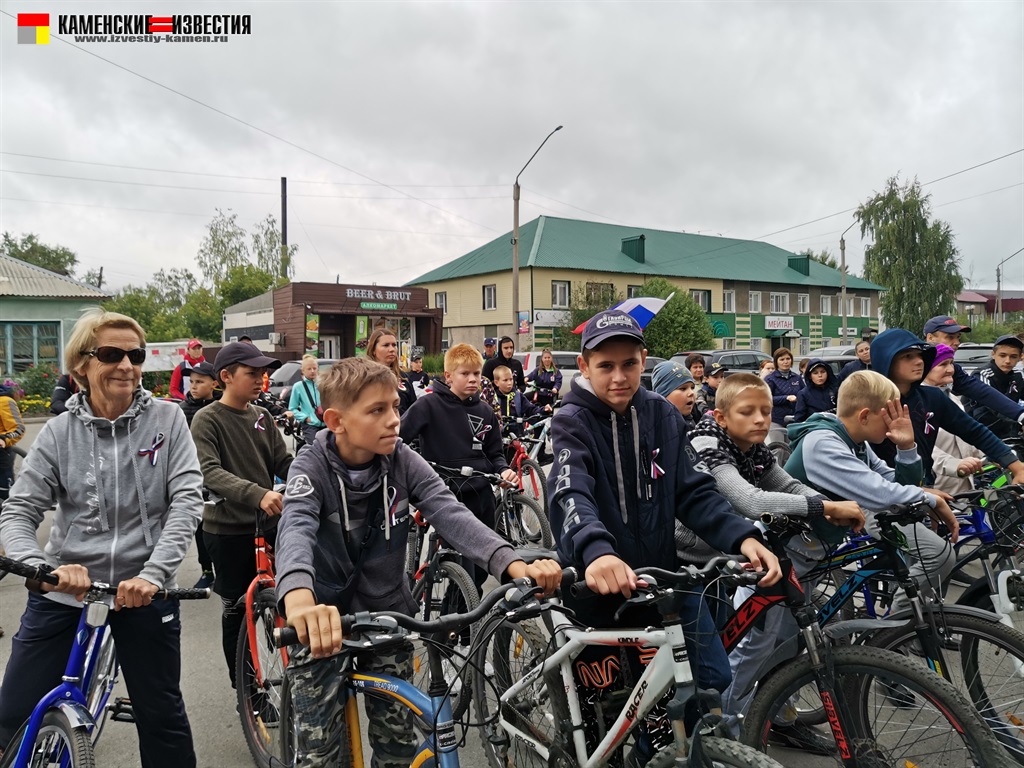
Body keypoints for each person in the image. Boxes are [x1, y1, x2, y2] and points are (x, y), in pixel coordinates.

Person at [275, 357, 561, 768]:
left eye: (395, 406)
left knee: (398, 749)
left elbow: (450, 513)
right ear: (336, 420)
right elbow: (296, 529)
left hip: (387, 615)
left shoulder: (401, 458)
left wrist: (514, 565)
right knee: (320, 754)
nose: (395, 419)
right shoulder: (311, 466)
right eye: (377, 410)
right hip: (322, 619)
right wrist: (299, 602)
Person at [547, 309, 782, 766]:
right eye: (605, 366)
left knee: (709, 682)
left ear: (644, 360)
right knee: (610, 716)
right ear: (584, 365)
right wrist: (596, 554)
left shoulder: (661, 414)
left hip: (665, 580)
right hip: (598, 587)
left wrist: (741, 537)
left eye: (629, 364)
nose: (619, 376)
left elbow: (692, 491)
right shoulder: (571, 420)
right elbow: (570, 492)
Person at [0, 309, 203, 767]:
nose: (127, 365)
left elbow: (187, 502)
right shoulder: (57, 432)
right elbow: (19, 509)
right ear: (81, 367)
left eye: (135, 355)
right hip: (65, 588)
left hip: (143, 591)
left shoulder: (168, 422)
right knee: (12, 713)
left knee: (162, 716)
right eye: (111, 354)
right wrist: (42, 570)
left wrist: (153, 575)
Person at [688, 373, 864, 752]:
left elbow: (784, 484)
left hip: (723, 553)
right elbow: (747, 500)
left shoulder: (753, 445)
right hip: (688, 556)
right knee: (717, 657)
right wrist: (824, 506)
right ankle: (719, 737)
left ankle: (742, 720)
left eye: (766, 411)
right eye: (748, 411)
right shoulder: (705, 440)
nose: (760, 420)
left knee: (734, 646)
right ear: (720, 417)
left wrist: (825, 506)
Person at [787, 370, 962, 603]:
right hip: (788, 553)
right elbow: (880, 495)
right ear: (865, 416)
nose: (895, 422)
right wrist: (929, 498)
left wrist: (907, 447)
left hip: (809, 551)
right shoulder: (823, 443)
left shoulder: (855, 443)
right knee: (772, 636)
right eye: (889, 415)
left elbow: (892, 482)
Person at [190, 341, 293, 687]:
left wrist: (312, 478)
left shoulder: (262, 416)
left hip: (268, 527)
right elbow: (210, 471)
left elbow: (284, 462)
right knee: (236, 610)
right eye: (252, 373)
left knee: (283, 599)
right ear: (226, 376)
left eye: (264, 373)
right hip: (227, 531)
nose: (261, 380)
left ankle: (290, 677)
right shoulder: (207, 419)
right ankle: (246, 690)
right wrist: (257, 493)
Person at [400, 344, 516, 587]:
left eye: (476, 373)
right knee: (461, 567)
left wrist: (504, 469)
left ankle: (463, 611)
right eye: (465, 374)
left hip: (481, 493)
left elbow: (494, 453)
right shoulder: (427, 406)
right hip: (445, 496)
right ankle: (454, 619)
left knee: (480, 570)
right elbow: (399, 439)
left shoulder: (485, 411)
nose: (473, 379)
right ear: (449, 376)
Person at [869, 328, 1024, 486]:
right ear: (886, 359)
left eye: (920, 355)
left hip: (926, 490)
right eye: (907, 356)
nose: (919, 361)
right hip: (881, 496)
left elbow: (974, 431)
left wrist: (1015, 465)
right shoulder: (871, 403)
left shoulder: (932, 397)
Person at [923, 316, 1024, 430]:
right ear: (930, 338)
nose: (957, 343)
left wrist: (1021, 415)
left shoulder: (955, 372)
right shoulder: (911, 369)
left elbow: (984, 393)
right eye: (950, 337)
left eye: (958, 337)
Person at [179, 361, 219, 590]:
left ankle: (222, 570)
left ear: (214, 383)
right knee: (200, 529)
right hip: (195, 479)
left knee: (219, 531)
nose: (193, 386)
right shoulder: (182, 410)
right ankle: (206, 571)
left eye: (200, 382)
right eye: (191, 381)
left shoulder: (219, 408)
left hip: (218, 477)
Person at [925, 345, 986, 495]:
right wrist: (954, 465)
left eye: (951, 363)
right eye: (943, 364)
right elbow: (920, 446)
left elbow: (968, 434)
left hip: (963, 488)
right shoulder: (918, 402)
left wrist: (990, 454)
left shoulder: (951, 397)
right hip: (935, 489)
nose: (951, 369)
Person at [967, 334, 1024, 439]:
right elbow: (994, 406)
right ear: (993, 354)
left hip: (1009, 432)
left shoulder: (1017, 376)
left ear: (1020, 358)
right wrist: (1020, 422)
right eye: (1002, 355)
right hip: (981, 433)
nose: (1007, 361)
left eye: (1013, 356)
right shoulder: (982, 375)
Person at [366, 328, 416, 415]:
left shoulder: (403, 377)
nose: (391, 349)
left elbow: (414, 408)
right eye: (386, 345)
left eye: (394, 345)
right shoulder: (365, 378)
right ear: (373, 350)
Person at [765, 347, 804, 444]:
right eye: (782, 359)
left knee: (792, 448)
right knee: (779, 449)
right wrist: (786, 398)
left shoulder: (797, 378)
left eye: (788, 359)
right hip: (776, 420)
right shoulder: (770, 379)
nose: (785, 362)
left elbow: (804, 394)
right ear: (776, 362)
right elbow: (767, 399)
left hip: (794, 420)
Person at [288, 354, 327, 447]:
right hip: (311, 425)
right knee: (315, 447)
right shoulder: (298, 386)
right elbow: (292, 408)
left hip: (326, 422)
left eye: (314, 368)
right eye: (309, 369)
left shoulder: (323, 384)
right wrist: (305, 418)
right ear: (303, 371)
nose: (312, 371)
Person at [651, 360, 699, 429]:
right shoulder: (658, 428)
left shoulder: (694, 419)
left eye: (692, 388)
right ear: (663, 394)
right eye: (683, 388)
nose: (691, 393)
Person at [0, 379, 26, 505]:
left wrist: (4, 438)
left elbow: (18, 429)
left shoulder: (4, 401)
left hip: (2, 455)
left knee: (7, 501)